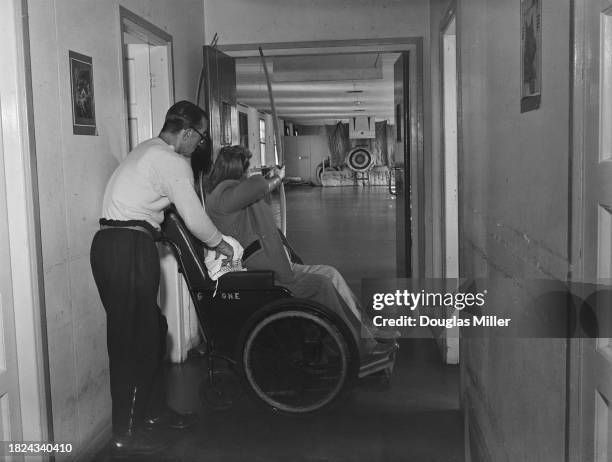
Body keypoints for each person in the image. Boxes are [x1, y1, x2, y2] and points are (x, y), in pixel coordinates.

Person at [90, 101, 235, 456]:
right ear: (186, 132)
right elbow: (194, 216)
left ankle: (153, 413)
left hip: (115, 245)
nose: (198, 146)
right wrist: (222, 245)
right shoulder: (170, 160)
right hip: (129, 248)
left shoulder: (147, 149)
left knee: (152, 331)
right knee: (134, 342)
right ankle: (127, 433)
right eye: (199, 138)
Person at [204, 145, 396, 356]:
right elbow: (255, 187)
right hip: (266, 274)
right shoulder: (223, 197)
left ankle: (368, 330)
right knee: (322, 284)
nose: (250, 173)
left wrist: (271, 178)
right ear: (236, 170)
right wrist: (276, 178)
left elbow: (252, 192)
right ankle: (361, 346)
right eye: (247, 169)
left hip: (279, 265)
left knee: (331, 274)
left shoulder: (228, 193)